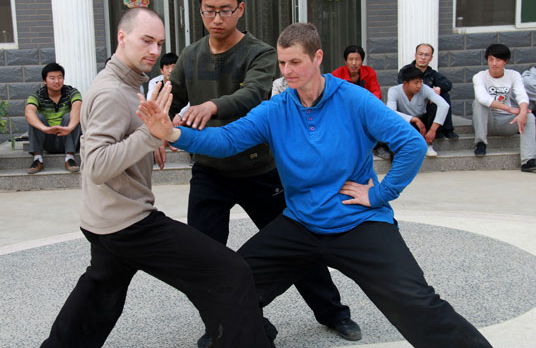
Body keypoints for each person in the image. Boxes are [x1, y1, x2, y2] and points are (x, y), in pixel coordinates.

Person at [138, 22, 493, 348]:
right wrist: (172, 133)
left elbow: (412, 145)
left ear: (317, 57)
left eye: (295, 62)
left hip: (359, 221)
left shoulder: (353, 99)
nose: (287, 72)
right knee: (230, 283)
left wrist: (380, 193)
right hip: (302, 224)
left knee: (417, 302)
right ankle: (255, 336)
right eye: (282, 63)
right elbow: (228, 140)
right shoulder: (276, 109)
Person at [40, 7, 273, 348]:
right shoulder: (110, 93)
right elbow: (97, 166)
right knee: (229, 271)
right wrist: (149, 136)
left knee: (99, 296)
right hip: (127, 223)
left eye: (159, 42)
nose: (153, 50)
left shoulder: (126, 85)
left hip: (104, 220)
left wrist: (153, 138)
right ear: (122, 38)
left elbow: (124, 141)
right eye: (146, 40)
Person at [167, 0, 360, 346]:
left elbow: (254, 93)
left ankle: (334, 313)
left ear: (240, 8)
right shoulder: (190, 55)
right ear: (200, 11)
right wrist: (156, 128)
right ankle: (225, 323)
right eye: (209, 11)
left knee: (298, 248)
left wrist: (211, 106)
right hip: (209, 172)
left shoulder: (260, 53)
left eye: (225, 10)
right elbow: (172, 97)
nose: (217, 19)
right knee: (203, 256)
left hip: (260, 171)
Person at [472, 44, 536, 172]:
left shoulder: (514, 75)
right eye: (491, 59)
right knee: (478, 103)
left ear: (505, 61)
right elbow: (483, 98)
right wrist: (509, 109)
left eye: (498, 60)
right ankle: (481, 143)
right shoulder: (479, 76)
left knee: (529, 115)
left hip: (507, 122)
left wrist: (523, 111)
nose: (494, 63)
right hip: (487, 121)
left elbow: (522, 96)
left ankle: (528, 160)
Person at [25, 62, 82, 174]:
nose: (57, 81)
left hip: (68, 137)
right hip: (47, 139)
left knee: (68, 116)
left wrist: (69, 128)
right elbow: (29, 112)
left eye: (60, 77)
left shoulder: (72, 92)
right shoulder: (37, 95)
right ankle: (37, 159)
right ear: (45, 81)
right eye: (52, 78)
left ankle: (70, 158)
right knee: (37, 117)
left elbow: (77, 108)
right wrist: (44, 128)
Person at [398, 43, 458, 140]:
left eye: (426, 55)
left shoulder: (431, 73)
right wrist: (430, 92)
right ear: (415, 55)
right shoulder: (406, 71)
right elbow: (406, 89)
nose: (423, 58)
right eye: (420, 54)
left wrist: (439, 88)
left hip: (426, 109)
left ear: (431, 58)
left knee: (444, 95)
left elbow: (447, 84)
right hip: (410, 109)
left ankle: (447, 129)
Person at [387, 66, 450, 157]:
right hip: (406, 122)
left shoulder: (425, 88)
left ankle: (428, 144)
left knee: (434, 107)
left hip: (424, 123)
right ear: (406, 83)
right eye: (416, 83)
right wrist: (414, 119)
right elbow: (391, 112)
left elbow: (444, 105)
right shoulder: (394, 91)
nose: (419, 86)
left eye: (421, 82)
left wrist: (433, 130)